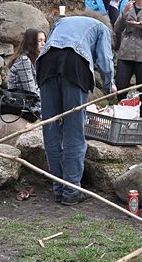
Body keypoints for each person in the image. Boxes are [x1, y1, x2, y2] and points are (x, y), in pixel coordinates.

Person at [37, 15, 117, 206]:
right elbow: (105, 60)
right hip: (74, 64)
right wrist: (109, 85)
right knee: (73, 130)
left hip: (46, 64)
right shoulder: (101, 27)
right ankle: (71, 190)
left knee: (51, 129)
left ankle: (58, 188)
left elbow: (52, 44)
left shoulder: (62, 22)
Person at [5, 28, 47, 118]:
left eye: (44, 40)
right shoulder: (24, 60)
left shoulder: (34, 58)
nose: (43, 44)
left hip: (29, 100)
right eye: (39, 41)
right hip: (21, 102)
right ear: (31, 42)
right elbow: (30, 91)